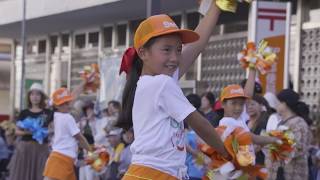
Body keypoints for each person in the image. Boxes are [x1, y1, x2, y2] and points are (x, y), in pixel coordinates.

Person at [117, 2, 228, 179]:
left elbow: (196, 46)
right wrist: (226, 152)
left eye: (178, 50)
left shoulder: (152, 81)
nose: (175, 58)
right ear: (143, 53)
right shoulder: (161, 83)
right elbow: (200, 124)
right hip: (156, 174)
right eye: (166, 50)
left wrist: (217, 5)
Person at [43, 81, 93, 180]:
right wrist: (92, 150)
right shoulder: (67, 117)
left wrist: (83, 84)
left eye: (67, 102)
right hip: (62, 159)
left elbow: (73, 96)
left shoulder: (56, 115)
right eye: (63, 104)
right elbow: (79, 138)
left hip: (60, 158)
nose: (66, 105)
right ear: (56, 106)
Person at [8, 83, 53, 180]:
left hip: (41, 149)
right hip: (25, 148)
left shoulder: (48, 113)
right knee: (23, 175)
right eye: (32, 94)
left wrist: (45, 132)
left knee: (40, 174)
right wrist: (30, 132)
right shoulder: (24, 112)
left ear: (42, 96)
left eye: (38, 94)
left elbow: (53, 129)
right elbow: (16, 131)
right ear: (29, 97)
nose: (35, 97)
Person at [266, 89, 312, 180]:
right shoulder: (283, 123)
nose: (276, 105)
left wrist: (267, 142)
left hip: (292, 175)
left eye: (278, 102)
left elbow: (296, 149)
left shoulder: (298, 124)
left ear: (285, 104)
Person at [246, 94, 271, 165]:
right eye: (247, 105)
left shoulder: (265, 123)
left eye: (252, 104)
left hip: (259, 163)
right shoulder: (245, 123)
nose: (249, 107)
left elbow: (259, 145)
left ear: (261, 106)